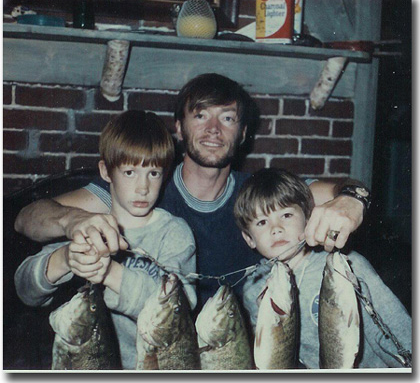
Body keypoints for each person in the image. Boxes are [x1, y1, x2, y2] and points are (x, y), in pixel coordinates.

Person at [15, 73, 369, 309]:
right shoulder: (144, 189)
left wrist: (353, 201)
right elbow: (27, 218)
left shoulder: (259, 196)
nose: (214, 129)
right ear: (179, 128)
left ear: (243, 133)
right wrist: (74, 221)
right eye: (200, 116)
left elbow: (341, 189)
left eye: (227, 118)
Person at [14, 111, 197, 370]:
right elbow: (24, 290)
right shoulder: (90, 227)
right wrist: (65, 259)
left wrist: (110, 273)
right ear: (106, 171)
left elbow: (183, 304)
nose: (143, 187)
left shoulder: (174, 233)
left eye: (153, 173)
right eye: (130, 172)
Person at [234, 167, 411, 369]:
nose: (276, 229)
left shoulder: (345, 266)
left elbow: (394, 325)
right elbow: (270, 357)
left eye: (286, 215)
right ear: (249, 238)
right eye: (262, 221)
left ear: (308, 218)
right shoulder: (253, 288)